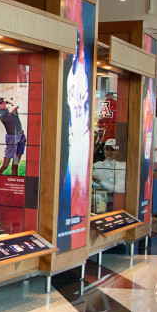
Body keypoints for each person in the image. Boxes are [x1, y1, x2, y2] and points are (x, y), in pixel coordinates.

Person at [66, 39, 91, 216]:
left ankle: (80, 213)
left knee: (81, 177)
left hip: (82, 133)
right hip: (73, 134)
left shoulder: (81, 72)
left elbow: (86, 105)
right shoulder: (69, 74)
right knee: (73, 176)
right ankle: (74, 212)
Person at [0, 96, 25, 176]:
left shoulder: (7, 110)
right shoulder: (2, 113)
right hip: (12, 140)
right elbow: (16, 105)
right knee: (5, 165)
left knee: (15, 165)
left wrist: (8, 102)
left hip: (21, 138)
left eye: (3, 101)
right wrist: (9, 101)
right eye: (0, 102)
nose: (3, 103)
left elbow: (15, 110)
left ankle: (14, 184)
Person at [91, 139, 125, 211]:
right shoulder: (96, 165)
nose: (109, 152)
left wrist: (100, 181)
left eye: (112, 150)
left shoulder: (120, 168)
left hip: (109, 204)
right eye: (107, 149)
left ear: (117, 151)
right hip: (93, 202)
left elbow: (119, 189)